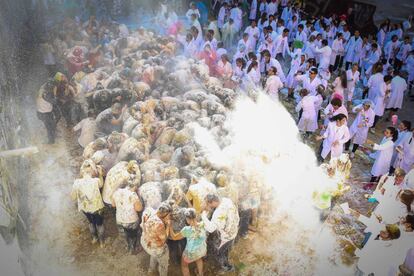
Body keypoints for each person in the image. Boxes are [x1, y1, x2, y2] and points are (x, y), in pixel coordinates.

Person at [201, 194, 240, 273]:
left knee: (220, 253)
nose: (209, 206)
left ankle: (227, 267)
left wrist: (203, 216)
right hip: (233, 230)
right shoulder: (226, 200)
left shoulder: (219, 213)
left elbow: (211, 228)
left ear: (213, 202)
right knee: (226, 250)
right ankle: (225, 260)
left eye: (209, 204)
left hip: (226, 236)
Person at [71, 160, 105, 247]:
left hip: (85, 208)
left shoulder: (77, 182)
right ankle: (102, 242)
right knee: (99, 224)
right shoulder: (95, 181)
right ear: (91, 172)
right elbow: (101, 185)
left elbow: (73, 197)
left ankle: (94, 238)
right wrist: (100, 174)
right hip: (97, 208)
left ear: (82, 172)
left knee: (91, 222)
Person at [169, 208, 207, 276]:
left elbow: (174, 237)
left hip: (191, 253)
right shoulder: (203, 224)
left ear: (187, 219)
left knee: (184, 265)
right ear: (196, 216)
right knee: (198, 259)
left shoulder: (187, 230)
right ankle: (200, 274)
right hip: (202, 250)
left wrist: (170, 226)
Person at [140, 202, 173, 276]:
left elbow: (142, 224)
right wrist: (168, 225)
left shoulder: (148, 211)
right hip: (156, 248)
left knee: (154, 255)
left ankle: (151, 271)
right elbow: (164, 240)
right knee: (163, 264)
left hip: (145, 242)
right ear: (165, 214)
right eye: (168, 215)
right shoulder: (159, 224)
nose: (169, 217)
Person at [112, 183, 143, 253]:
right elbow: (139, 209)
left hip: (120, 219)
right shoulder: (132, 195)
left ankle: (127, 246)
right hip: (131, 220)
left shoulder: (115, 193)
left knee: (124, 234)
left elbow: (113, 205)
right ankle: (133, 248)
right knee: (134, 235)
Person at [36, 80, 58, 144]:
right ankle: (51, 141)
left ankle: (51, 138)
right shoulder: (46, 94)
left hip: (40, 112)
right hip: (45, 113)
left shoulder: (42, 88)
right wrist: (55, 93)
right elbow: (55, 102)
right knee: (51, 127)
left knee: (50, 126)